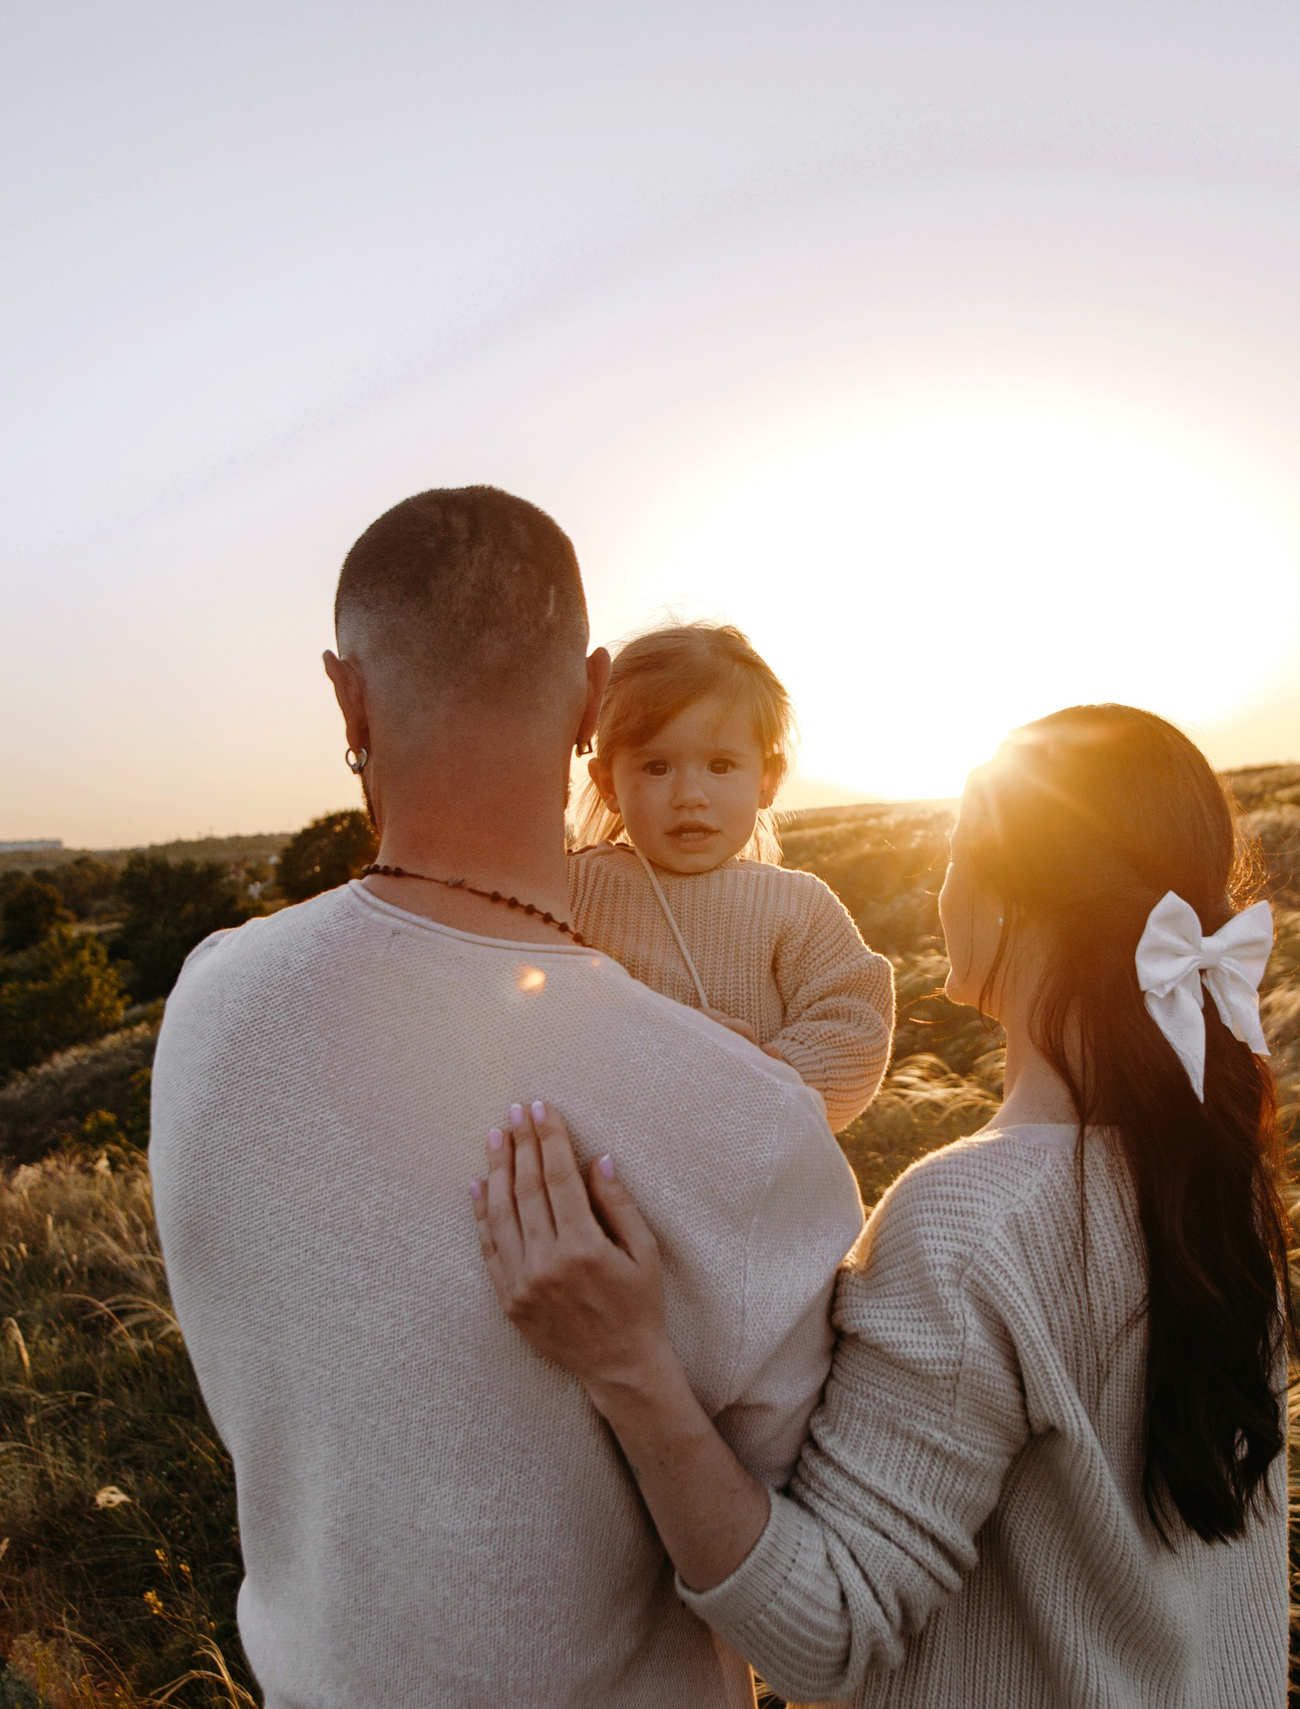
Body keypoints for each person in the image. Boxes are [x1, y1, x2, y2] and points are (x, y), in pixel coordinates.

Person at [151, 487, 865, 1709]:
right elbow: (813, 1630)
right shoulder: (747, 1119)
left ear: (348, 697)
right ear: (593, 701)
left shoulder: (210, 1002)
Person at [474, 704, 1294, 1707]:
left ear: (1003, 898)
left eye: (953, 859)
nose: (939, 892)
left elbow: (826, 1634)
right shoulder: (1215, 1180)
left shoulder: (972, 1218)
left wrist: (627, 1362)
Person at [570, 622, 896, 1132]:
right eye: (657, 767)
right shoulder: (576, 885)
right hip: (605, 1167)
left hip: (750, 1162)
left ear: (768, 779)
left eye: (720, 765)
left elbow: (855, 1021)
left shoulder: (795, 904)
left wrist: (768, 1073)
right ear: (610, 784)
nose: (690, 794)